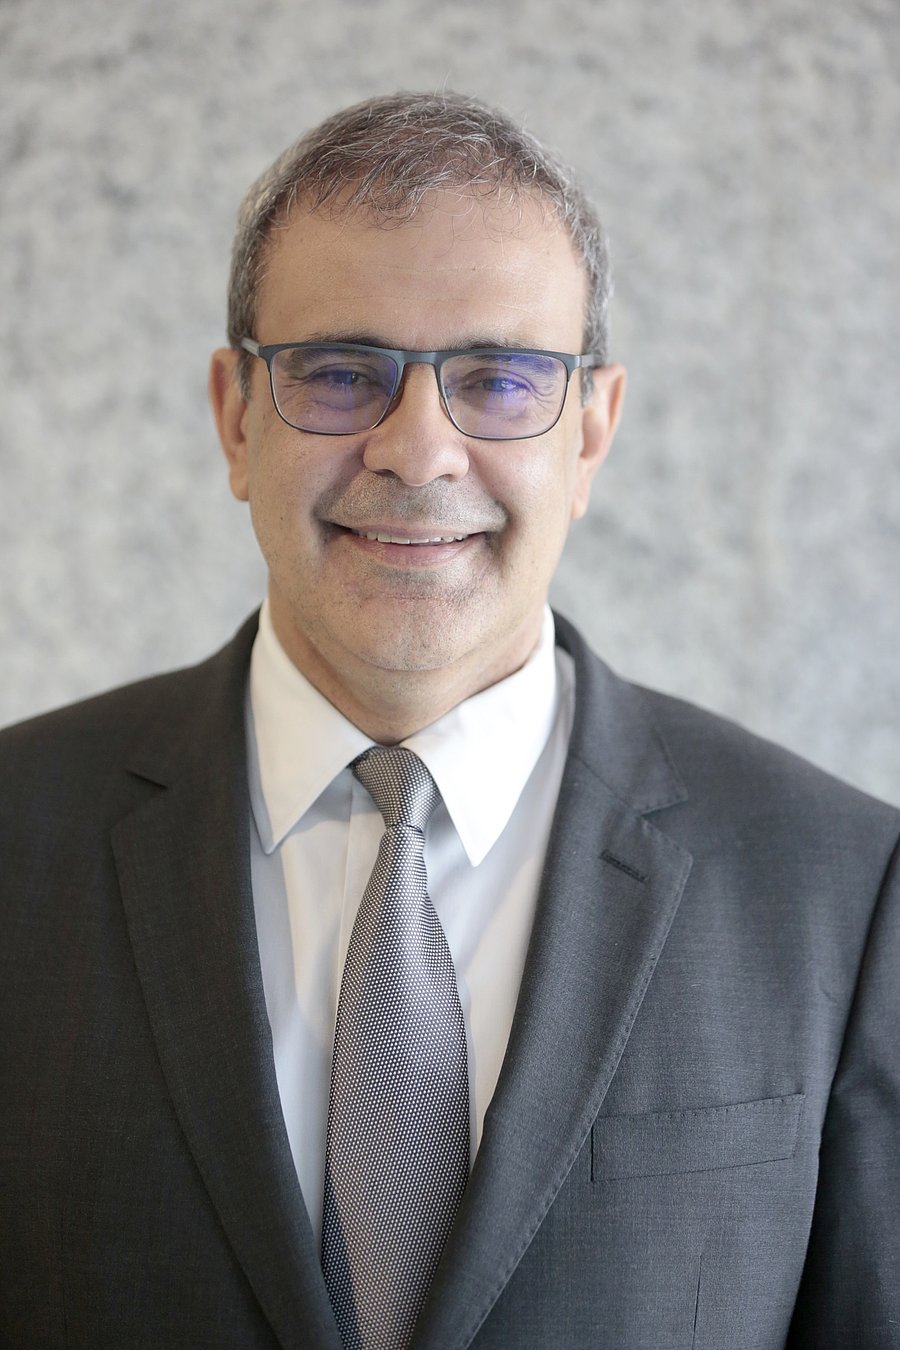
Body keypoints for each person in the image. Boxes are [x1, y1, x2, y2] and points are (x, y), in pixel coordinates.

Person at [1, 91, 898, 1350]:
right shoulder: (17, 839)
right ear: (234, 417)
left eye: (498, 377)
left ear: (591, 432)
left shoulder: (838, 887)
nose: (418, 451)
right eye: (338, 372)